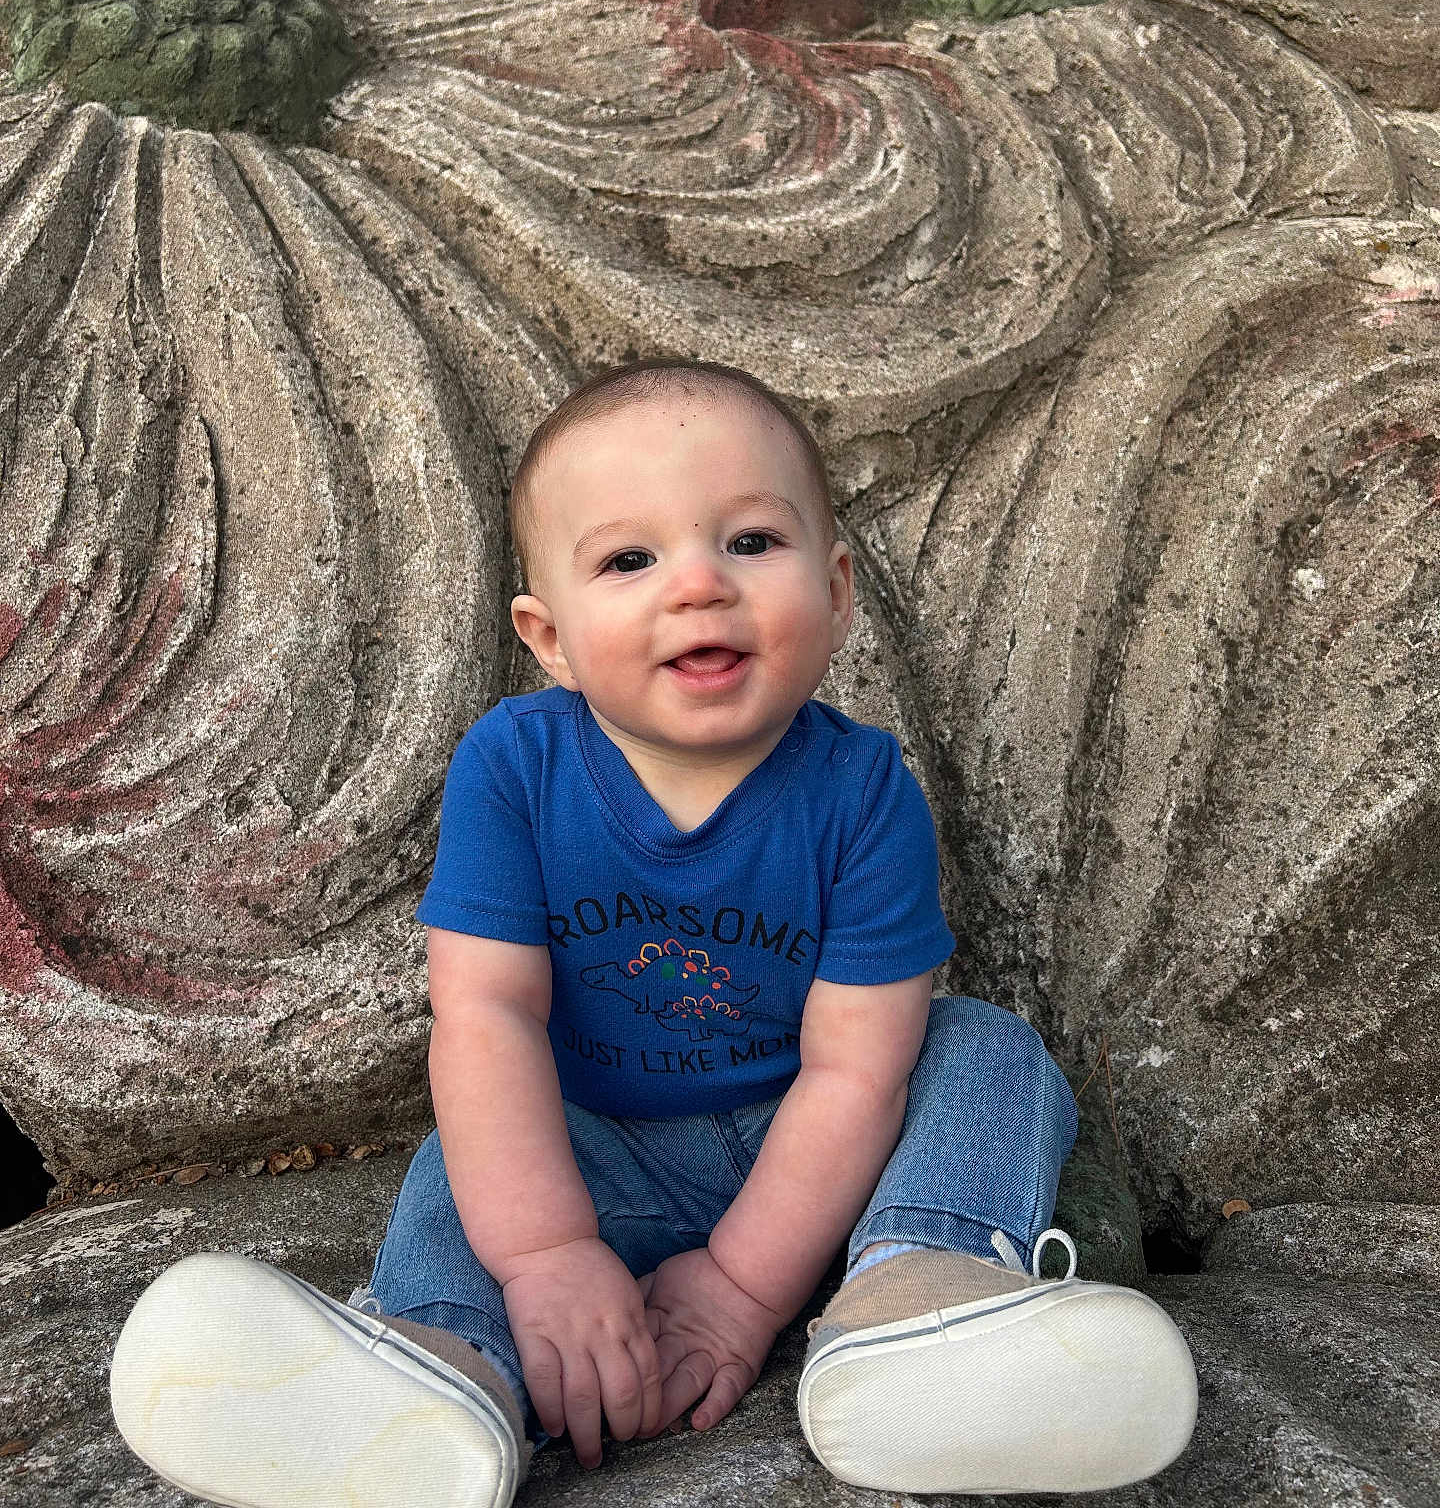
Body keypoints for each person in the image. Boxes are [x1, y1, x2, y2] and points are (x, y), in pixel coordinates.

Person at [110, 357, 1198, 1508]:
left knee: (983, 1049)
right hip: (605, 1153)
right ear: (551, 637)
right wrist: (547, 1258)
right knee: (467, 1160)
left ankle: (921, 1302)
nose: (698, 588)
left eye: (751, 543)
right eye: (630, 560)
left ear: (834, 589)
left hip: (831, 1161)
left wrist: (738, 1289)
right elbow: (486, 1014)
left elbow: (855, 1073)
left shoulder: (864, 788)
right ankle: (435, 1376)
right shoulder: (515, 769)